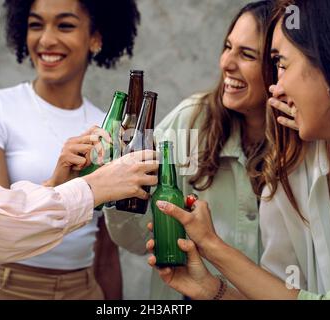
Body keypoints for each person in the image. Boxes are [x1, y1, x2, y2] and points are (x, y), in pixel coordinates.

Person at [0, 0, 158, 300]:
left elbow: (105, 253)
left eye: (65, 25)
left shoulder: (108, 127)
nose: (46, 39)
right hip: (6, 284)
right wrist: (89, 186)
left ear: (96, 37)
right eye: (35, 25)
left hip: (82, 288)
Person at [148, 0, 330, 300]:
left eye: (280, 63)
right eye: (227, 48)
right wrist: (211, 284)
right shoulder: (191, 122)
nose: (276, 87)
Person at [105, 0, 273, 299]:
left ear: (279, 65)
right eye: (227, 47)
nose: (226, 63)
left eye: (246, 54)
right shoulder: (191, 122)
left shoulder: (310, 139)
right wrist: (118, 186)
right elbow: (135, 237)